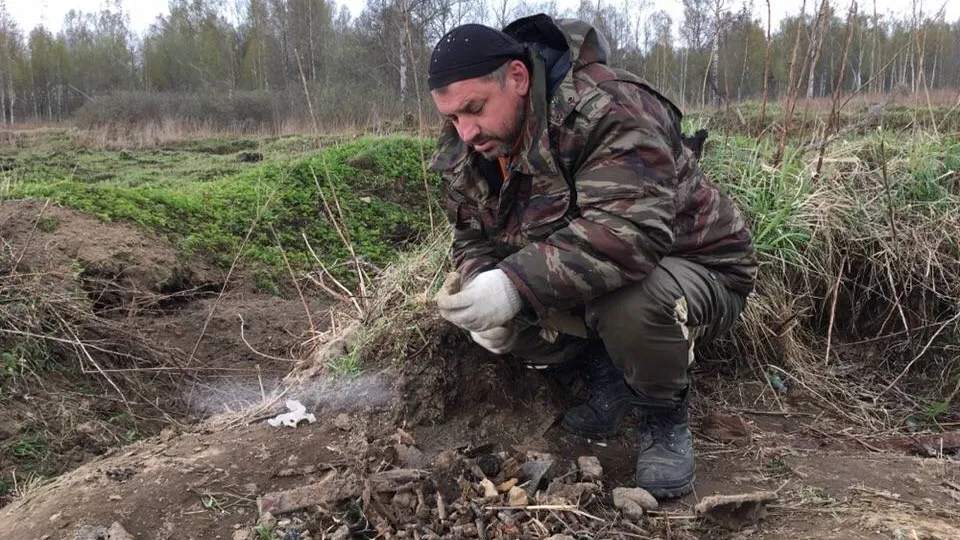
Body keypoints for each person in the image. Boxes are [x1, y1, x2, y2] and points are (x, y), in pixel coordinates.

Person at [428, 14, 757, 498]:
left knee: (626, 301)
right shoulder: (472, 145)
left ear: (517, 78)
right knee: (501, 301)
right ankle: (608, 375)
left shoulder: (607, 107)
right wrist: (484, 285)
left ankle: (663, 415)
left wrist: (514, 285)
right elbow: (471, 235)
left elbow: (630, 234)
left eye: (474, 109)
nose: (466, 130)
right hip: (594, 272)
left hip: (699, 268)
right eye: (453, 117)